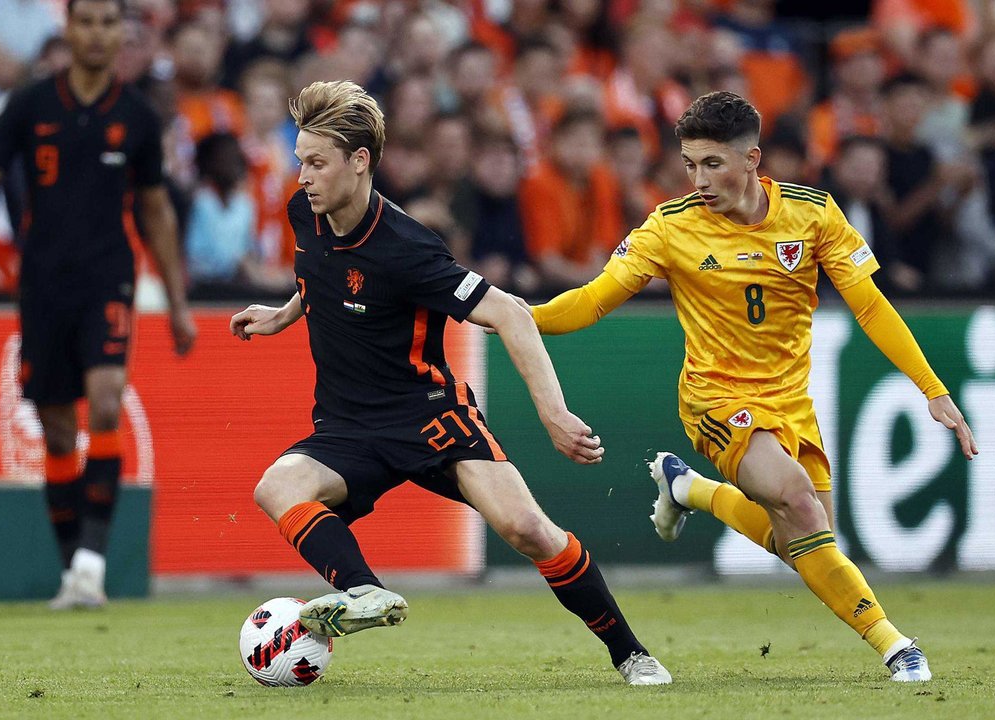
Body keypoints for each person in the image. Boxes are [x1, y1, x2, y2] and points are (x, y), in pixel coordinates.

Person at [524, 91, 979, 682]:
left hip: (791, 403)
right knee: (795, 499)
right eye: (689, 164)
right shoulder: (670, 228)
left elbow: (870, 307)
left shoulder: (813, 215)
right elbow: (589, 302)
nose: (698, 179)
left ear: (752, 160)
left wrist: (932, 389)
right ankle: (897, 646)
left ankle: (688, 490)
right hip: (716, 400)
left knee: (807, 546)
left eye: (712, 163)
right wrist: (509, 313)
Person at [228, 79, 671, 686]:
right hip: (349, 427)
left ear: (360, 163)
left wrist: (554, 414)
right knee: (276, 487)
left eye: (315, 162)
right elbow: (319, 276)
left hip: (429, 417)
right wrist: (282, 316)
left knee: (529, 530)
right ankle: (364, 592)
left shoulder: (408, 249)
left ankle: (631, 653)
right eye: (300, 159)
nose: (300, 174)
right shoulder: (305, 212)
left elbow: (512, 313)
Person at [0, 0, 196, 608]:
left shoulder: (137, 116)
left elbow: (155, 211)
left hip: (109, 280)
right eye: (87, 21)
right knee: (55, 426)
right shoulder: (29, 104)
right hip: (42, 286)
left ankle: (94, 562)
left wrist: (178, 302)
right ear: (67, 29)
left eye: (108, 24)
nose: (98, 34)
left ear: (119, 34)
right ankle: (72, 564)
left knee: (104, 402)